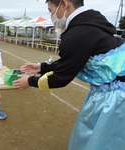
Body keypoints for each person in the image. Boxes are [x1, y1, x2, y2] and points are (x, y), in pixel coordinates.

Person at [13, 0, 125, 150]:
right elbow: (75, 60)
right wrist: (42, 67)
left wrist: (30, 81)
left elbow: (62, 76)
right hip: (112, 88)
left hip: (115, 95)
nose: (52, 15)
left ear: (64, 4)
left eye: (51, 10)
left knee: (102, 139)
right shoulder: (93, 22)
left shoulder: (77, 34)